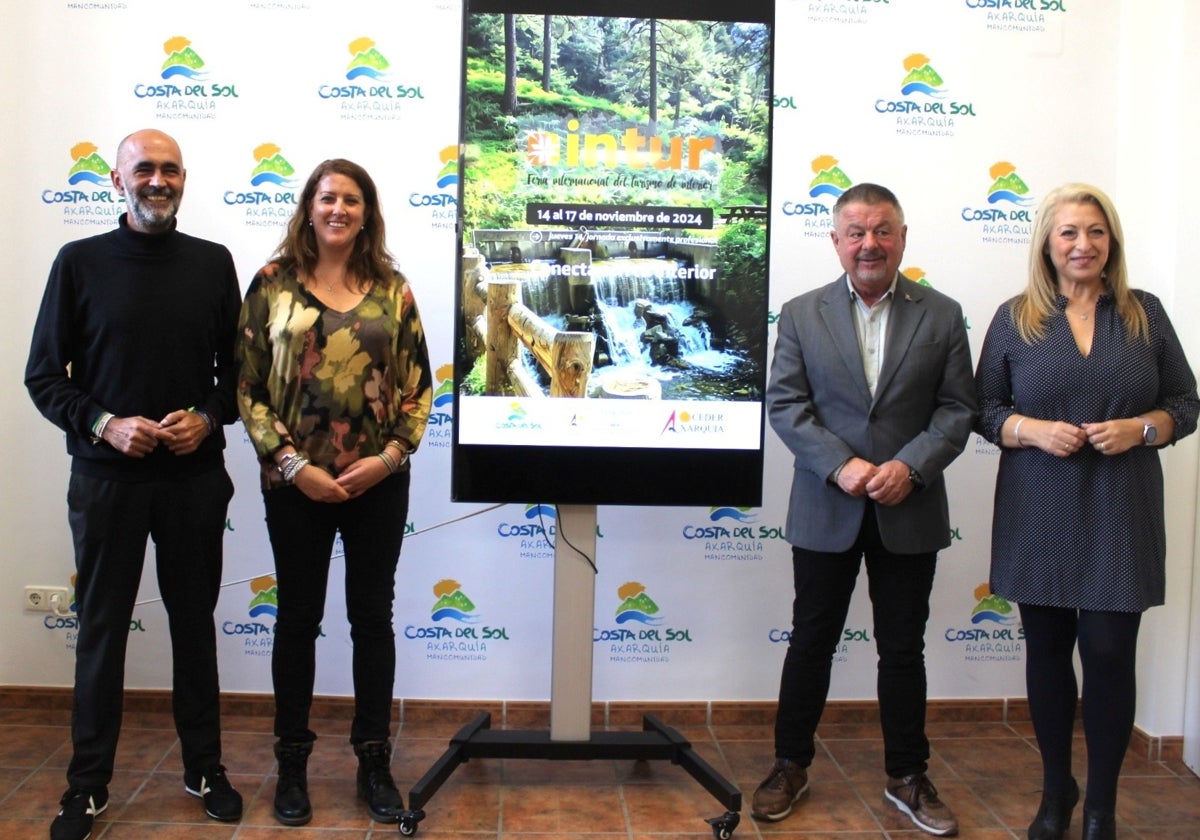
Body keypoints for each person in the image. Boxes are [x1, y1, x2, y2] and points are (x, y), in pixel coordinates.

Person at [25, 128, 244, 840]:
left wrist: (207, 420)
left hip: (192, 481)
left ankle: (204, 767)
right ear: (117, 180)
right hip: (106, 483)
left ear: (184, 180)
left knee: (193, 629)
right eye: (144, 168)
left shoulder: (213, 264)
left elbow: (237, 383)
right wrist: (104, 424)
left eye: (170, 169)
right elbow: (43, 378)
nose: (158, 179)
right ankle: (86, 787)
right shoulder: (79, 263)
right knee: (100, 633)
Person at [974, 183, 1198, 840]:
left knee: (1107, 650)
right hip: (1038, 503)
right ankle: (1056, 793)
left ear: (1112, 242)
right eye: (1069, 232)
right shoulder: (1015, 317)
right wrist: (1031, 430)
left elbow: (1186, 402)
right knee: (1046, 650)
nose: (1083, 244)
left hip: (1120, 504)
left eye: (1096, 232)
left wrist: (1145, 429)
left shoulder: (1144, 315)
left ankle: (1102, 804)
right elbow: (983, 411)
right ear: (1047, 242)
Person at [756, 183, 977, 836]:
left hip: (909, 507)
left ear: (903, 237)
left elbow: (958, 408)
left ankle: (907, 775)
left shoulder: (942, 314)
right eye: (855, 231)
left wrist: (910, 467)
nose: (869, 243)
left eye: (882, 230)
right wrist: (841, 464)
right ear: (835, 241)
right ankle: (789, 764)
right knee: (811, 642)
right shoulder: (800, 314)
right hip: (827, 505)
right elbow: (786, 405)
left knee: (902, 649)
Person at [236, 158, 432, 826]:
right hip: (296, 485)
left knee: (371, 619)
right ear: (308, 207)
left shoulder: (393, 290)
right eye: (327, 198)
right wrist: (292, 464)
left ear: (367, 211)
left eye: (351, 199)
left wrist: (389, 457)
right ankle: (292, 763)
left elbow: (418, 390)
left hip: (377, 483)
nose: (338, 209)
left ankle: (374, 760)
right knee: (296, 620)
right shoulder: (271, 284)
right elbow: (248, 387)